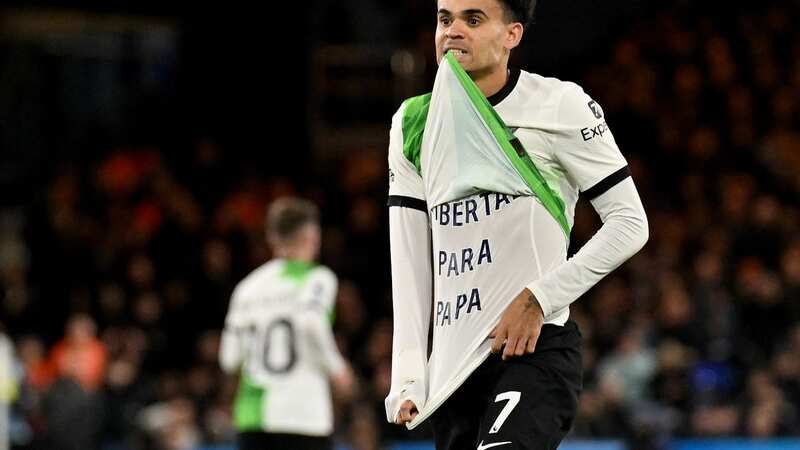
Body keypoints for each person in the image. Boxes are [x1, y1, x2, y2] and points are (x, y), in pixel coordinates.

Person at [384, 1, 649, 449]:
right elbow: (410, 261)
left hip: (535, 350)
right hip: (454, 368)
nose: (452, 32)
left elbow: (629, 223)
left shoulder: (559, 105)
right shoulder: (413, 122)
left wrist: (539, 299)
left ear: (512, 35)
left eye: (473, 20)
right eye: (444, 19)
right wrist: (409, 372)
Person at [220, 197, 355, 450]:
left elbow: (228, 359)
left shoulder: (246, 288)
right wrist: (338, 370)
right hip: (303, 415)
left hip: (252, 419)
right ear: (312, 236)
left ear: (272, 237)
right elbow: (311, 324)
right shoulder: (317, 278)